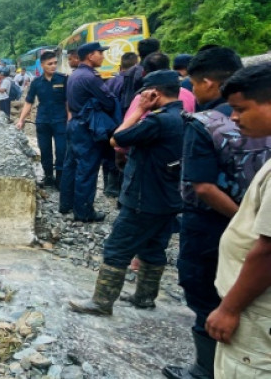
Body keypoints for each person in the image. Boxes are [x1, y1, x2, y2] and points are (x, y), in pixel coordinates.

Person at [68, 70, 185, 316]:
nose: (140, 97)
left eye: (144, 93)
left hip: (143, 197)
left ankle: (101, 302)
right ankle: (145, 297)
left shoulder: (157, 121)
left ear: (155, 93)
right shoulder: (183, 117)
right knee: (153, 248)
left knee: (116, 248)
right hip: (168, 197)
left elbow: (118, 138)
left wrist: (140, 109)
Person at [164, 47, 248, 379]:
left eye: (194, 84)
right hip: (256, 227)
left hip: (211, 225)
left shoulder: (204, 123)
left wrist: (241, 221)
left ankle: (205, 369)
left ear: (209, 83)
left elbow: (202, 187)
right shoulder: (260, 117)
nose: (193, 91)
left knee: (204, 292)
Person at [205, 63, 271, 377]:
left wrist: (230, 308)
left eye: (241, 109)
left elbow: (268, 250)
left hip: (257, 309)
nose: (233, 117)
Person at [59, 42, 118, 222]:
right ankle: (84, 212)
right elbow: (109, 102)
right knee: (87, 168)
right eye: (100, 53)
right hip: (86, 127)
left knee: (71, 165)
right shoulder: (91, 77)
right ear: (90, 56)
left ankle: (66, 204)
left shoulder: (75, 75)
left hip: (74, 124)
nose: (102, 56)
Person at [16, 50, 68, 187]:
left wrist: (70, 118)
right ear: (42, 65)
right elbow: (29, 102)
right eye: (50, 64)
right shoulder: (36, 83)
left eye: (55, 63)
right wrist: (21, 120)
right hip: (43, 121)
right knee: (45, 150)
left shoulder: (63, 79)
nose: (53, 66)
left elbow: (68, 102)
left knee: (62, 150)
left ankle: (60, 179)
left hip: (60, 121)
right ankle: (48, 176)